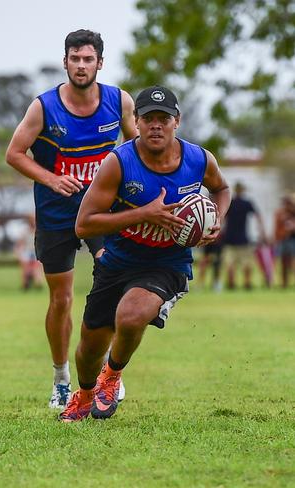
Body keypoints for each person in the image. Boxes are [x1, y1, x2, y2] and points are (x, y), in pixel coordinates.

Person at [59, 85, 230, 422]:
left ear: (176, 121)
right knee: (88, 348)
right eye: (148, 119)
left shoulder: (198, 159)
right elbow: (84, 225)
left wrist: (216, 219)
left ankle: (112, 376)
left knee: (132, 315)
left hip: (168, 261)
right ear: (135, 122)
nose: (156, 125)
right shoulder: (118, 162)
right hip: (119, 260)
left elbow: (221, 189)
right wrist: (144, 214)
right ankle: (85, 392)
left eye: (163, 119)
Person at [5, 29, 137, 408]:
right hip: (55, 214)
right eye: (75, 59)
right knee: (61, 298)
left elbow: (137, 148)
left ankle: (109, 373)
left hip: (102, 212)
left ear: (100, 63)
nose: (81, 65)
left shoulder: (119, 101)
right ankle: (62, 378)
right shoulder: (44, 107)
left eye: (88, 59)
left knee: (113, 284)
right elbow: (14, 153)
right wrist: (50, 178)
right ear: (65, 62)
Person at [222, 182, 267, 290]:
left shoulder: (230, 203)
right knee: (246, 264)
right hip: (242, 238)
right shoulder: (247, 203)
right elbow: (258, 216)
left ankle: (232, 284)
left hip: (230, 237)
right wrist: (262, 231)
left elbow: (222, 217)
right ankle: (247, 283)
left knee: (230, 263)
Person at [16, 215, 44, 290]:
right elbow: (20, 244)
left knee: (36, 266)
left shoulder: (39, 231)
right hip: (27, 252)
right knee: (25, 265)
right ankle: (26, 282)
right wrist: (19, 254)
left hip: (36, 252)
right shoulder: (25, 232)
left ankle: (37, 281)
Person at [274, 194, 295, 288]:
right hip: (282, 240)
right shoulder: (280, 213)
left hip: (292, 240)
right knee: (283, 263)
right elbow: (276, 227)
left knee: (292, 262)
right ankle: (284, 283)